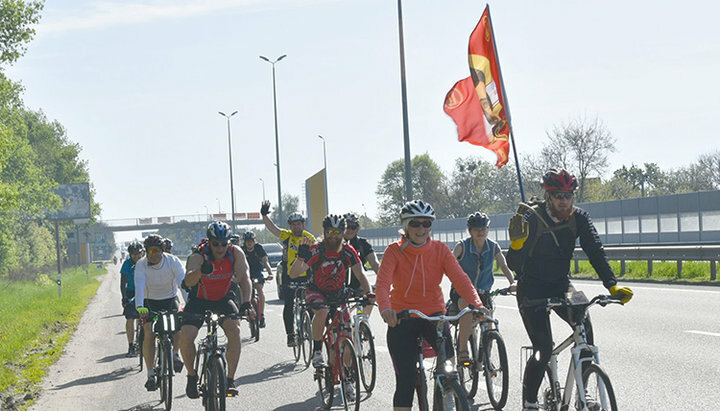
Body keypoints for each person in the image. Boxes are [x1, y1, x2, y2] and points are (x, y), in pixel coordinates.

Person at [506, 169, 634, 411]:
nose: (563, 200)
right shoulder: (532, 218)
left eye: (567, 195)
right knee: (543, 348)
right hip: (531, 288)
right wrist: (516, 244)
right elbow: (513, 265)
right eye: (557, 195)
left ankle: (584, 392)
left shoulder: (580, 218)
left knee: (584, 328)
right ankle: (530, 403)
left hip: (562, 284)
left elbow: (595, 251)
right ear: (548, 196)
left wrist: (612, 284)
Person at [376, 200, 487, 410]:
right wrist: (386, 309)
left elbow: (461, 279)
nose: (421, 229)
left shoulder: (440, 250)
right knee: (406, 382)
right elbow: (382, 284)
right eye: (415, 223)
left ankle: (445, 396)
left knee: (449, 366)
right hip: (402, 317)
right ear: (406, 226)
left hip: (434, 315)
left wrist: (477, 305)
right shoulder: (394, 251)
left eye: (426, 224)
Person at [289, 214, 373, 402]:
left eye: (337, 232)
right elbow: (294, 273)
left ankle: (348, 380)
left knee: (346, 336)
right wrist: (301, 257)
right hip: (316, 292)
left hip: (338, 294)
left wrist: (368, 293)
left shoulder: (348, 251)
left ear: (343, 233)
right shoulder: (316, 250)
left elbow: (360, 274)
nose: (333, 236)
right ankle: (317, 350)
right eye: (329, 232)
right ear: (324, 232)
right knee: (323, 310)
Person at [180, 221, 252, 399]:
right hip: (199, 300)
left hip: (223, 298)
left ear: (229, 242)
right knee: (186, 335)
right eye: (216, 244)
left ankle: (229, 379)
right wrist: (200, 271)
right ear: (209, 242)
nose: (220, 248)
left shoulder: (236, 253)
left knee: (235, 331)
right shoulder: (199, 255)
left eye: (223, 243)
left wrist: (246, 303)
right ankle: (191, 375)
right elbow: (188, 282)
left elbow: (245, 279)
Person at [451, 212, 516, 364]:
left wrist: (512, 282)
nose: (480, 232)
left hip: (483, 293)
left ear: (488, 229)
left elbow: (503, 265)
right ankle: (463, 351)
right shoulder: (462, 246)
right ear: (470, 231)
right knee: (466, 310)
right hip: (462, 292)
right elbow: (450, 263)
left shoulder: (493, 247)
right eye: (476, 229)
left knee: (489, 321)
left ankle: (486, 356)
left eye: (484, 229)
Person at [134, 234, 187, 391]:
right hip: (149, 302)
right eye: (150, 251)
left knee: (180, 327)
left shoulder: (173, 261)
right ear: (147, 252)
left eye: (157, 250)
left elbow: (182, 285)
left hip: (170, 299)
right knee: (149, 333)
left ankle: (175, 354)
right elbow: (139, 286)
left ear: (163, 251)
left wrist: (189, 304)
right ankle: (150, 374)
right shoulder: (141, 265)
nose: (154, 254)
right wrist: (139, 307)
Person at [260, 200, 316, 347]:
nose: (296, 226)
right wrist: (264, 215)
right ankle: (290, 335)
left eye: (299, 224)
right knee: (289, 304)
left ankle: (310, 328)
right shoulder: (287, 236)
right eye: (293, 224)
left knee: (311, 304)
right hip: (289, 275)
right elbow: (273, 228)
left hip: (306, 275)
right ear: (290, 226)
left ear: (303, 224)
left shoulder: (309, 238)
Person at [342, 213, 380, 317]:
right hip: (339, 286)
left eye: (353, 227)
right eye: (346, 226)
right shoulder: (335, 244)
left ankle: (363, 321)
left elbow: (375, 264)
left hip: (359, 285)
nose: (350, 230)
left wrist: (383, 281)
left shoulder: (363, 244)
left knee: (372, 294)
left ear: (358, 228)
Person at [240, 231, 274, 328]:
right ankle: (245, 309)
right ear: (245, 242)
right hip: (246, 274)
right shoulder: (242, 251)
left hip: (257, 273)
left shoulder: (258, 248)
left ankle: (262, 315)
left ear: (254, 241)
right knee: (244, 291)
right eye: (247, 241)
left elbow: (265, 261)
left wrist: (270, 273)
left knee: (259, 289)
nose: (249, 243)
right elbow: (237, 264)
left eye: (251, 241)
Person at [120, 241, 143, 357]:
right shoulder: (127, 264)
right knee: (130, 318)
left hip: (145, 291)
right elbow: (123, 282)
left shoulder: (146, 262)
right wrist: (124, 297)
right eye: (133, 254)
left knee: (145, 316)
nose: (136, 256)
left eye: (138, 254)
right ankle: (131, 345)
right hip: (131, 291)